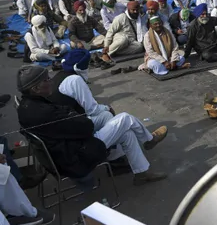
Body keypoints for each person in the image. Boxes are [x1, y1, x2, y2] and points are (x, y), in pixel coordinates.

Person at [16, 65, 168, 185]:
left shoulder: (29, 104)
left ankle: (140, 173)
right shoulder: (42, 112)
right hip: (76, 156)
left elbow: (70, 119)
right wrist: (76, 117)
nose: (50, 81)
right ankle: (147, 140)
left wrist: (74, 116)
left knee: (113, 123)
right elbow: (84, 127)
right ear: (35, 88)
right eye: (46, 80)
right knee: (124, 119)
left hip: (69, 146)